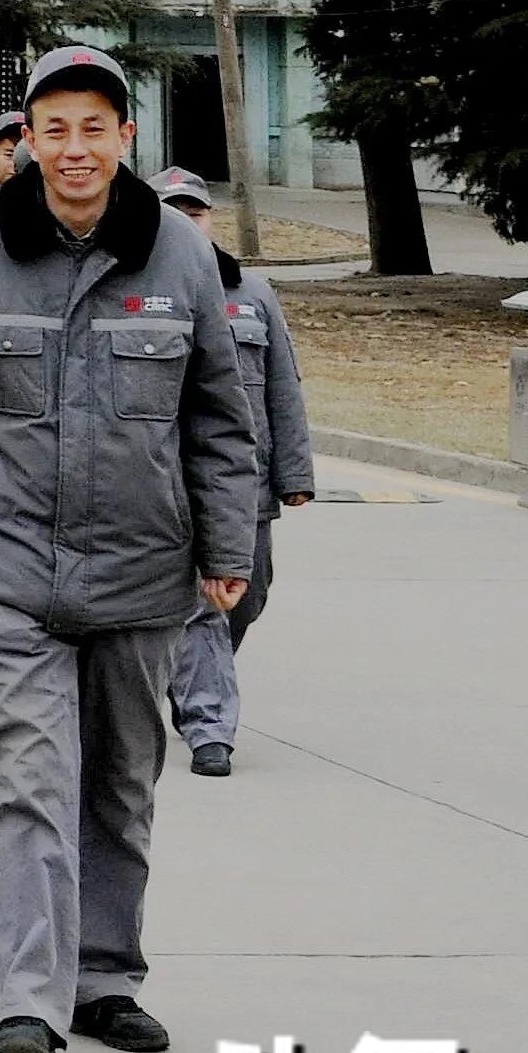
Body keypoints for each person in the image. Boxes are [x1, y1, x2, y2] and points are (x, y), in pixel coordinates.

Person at [0, 44, 261, 1053]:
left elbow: (220, 421)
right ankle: (28, 1001)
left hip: (145, 576)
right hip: (11, 572)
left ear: (124, 139)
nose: (74, 147)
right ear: (25, 143)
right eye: (53, 127)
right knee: (25, 779)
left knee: (117, 786)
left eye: (94, 126)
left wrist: (227, 546)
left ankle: (103, 976)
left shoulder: (178, 256)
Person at [150, 168, 315, 776]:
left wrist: (294, 472)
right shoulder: (139, 287)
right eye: (174, 212)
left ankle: (186, 672)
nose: (187, 223)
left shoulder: (253, 292)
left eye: (196, 212)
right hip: (168, 477)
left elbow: (282, 387)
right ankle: (209, 726)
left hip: (246, 480)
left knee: (248, 595)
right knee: (203, 604)